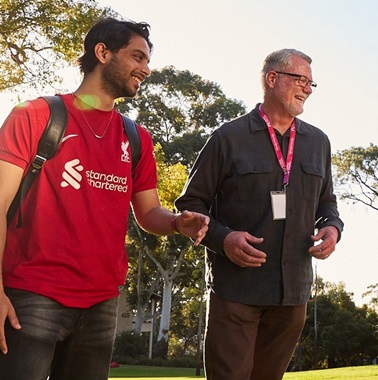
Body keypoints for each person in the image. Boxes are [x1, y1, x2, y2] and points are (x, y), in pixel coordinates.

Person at [0, 18, 209, 380]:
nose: (146, 68)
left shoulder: (137, 137)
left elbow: (148, 213)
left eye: (147, 60)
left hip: (101, 304)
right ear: (102, 52)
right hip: (32, 297)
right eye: (137, 57)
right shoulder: (35, 116)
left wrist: (177, 223)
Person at [175, 48, 343, 380]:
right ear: (272, 79)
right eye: (300, 79)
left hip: (293, 294)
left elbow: (328, 205)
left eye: (311, 83)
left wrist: (333, 229)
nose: (308, 88)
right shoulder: (228, 138)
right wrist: (224, 240)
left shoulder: (318, 142)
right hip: (236, 292)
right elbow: (190, 205)